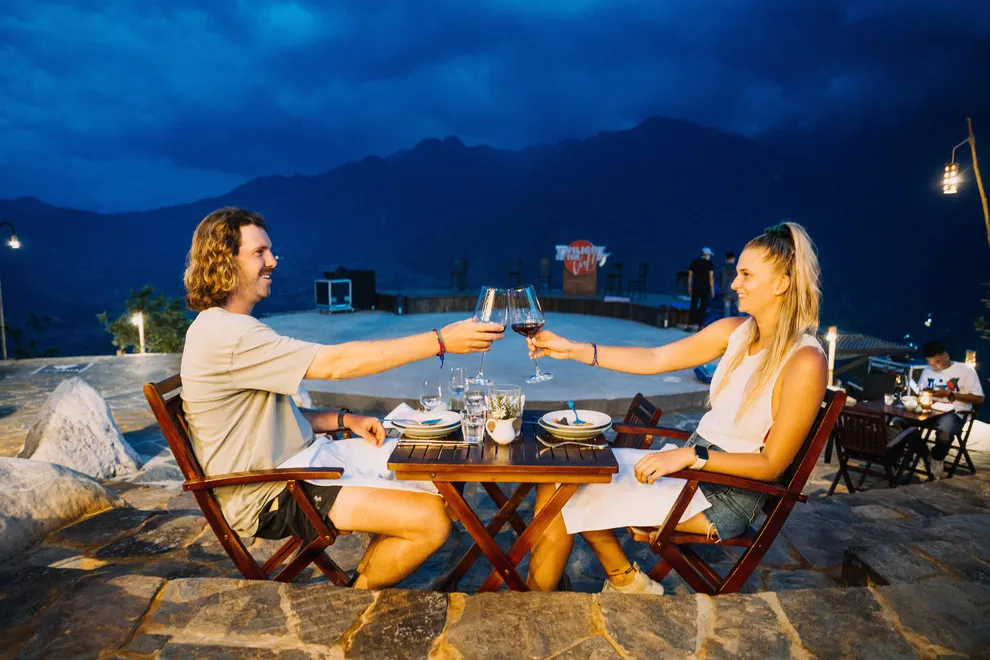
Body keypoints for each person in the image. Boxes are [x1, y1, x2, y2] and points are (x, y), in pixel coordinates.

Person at [180, 207, 504, 589]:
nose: (273, 261)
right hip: (270, 491)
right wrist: (440, 341)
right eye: (259, 252)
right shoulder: (230, 336)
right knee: (431, 521)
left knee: (436, 470)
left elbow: (260, 420)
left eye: (270, 250)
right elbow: (336, 364)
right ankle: (354, 599)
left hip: (300, 464)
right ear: (224, 262)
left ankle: (369, 571)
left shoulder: (226, 328)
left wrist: (343, 420)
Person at [524, 222, 827, 593]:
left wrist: (690, 456)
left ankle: (536, 602)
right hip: (691, 471)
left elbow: (771, 465)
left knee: (563, 489)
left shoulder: (804, 360)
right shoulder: (736, 331)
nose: (734, 283)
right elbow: (656, 358)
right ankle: (622, 581)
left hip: (723, 495)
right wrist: (573, 349)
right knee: (562, 473)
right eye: (737, 273)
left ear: (781, 283)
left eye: (747, 275)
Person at [918, 341, 984, 478]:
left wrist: (950, 394)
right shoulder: (927, 371)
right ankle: (923, 453)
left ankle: (937, 458)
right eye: (930, 363)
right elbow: (920, 391)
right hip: (930, 410)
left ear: (946, 356)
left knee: (945, 430)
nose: (933, 366)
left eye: (937, 362)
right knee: (901, 422)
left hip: (955, 412)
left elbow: (979, 398)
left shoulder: (965, 370)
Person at [687, 247, 715, 330]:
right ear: (707, 254)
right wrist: (712, 290)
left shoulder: (694, 262)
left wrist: (689, 287)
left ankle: (689, 326)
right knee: (703, 307)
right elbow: (711, 278)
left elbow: (690, 276)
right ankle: (700, 326)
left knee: (693, 306)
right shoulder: (710, 264)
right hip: (705, 288)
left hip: (696, 287)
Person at [721, 252, 739, 318]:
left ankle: (727, 323)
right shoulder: (737, 268)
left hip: (725, 293)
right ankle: (740, 323)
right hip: (735, 292)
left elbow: (720, 280)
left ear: (726, 259)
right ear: (733, 259)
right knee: (739, 311)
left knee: (726, 311)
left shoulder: (722, 269)